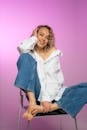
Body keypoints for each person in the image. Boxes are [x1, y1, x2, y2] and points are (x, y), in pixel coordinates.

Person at [14, 25, 87, 121]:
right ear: (35, 35)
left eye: (47, 37)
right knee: (25, 57)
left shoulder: (54, 53)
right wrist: (34, 38)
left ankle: (45, 108)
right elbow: (22, 49)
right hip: (36, 93)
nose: (44, 39)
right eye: (41, 35)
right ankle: (33, 104)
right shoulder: (30, 52)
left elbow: (54, 80)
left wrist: (46, 100)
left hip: (55, 95)